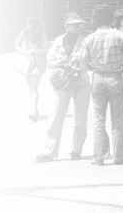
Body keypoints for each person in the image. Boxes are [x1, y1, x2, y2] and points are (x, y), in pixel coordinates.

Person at [80, 4, 123, 166]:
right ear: (111, 18)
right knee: (117, 120)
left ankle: (99, 157)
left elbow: (83, 64)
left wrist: (94, 67)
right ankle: (120, 156)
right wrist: (121, 66)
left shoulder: (88, 39)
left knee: (98, 120)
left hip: (97, 79)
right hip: (116, 78)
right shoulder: (120, 36)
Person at [35, 13, 90, 163]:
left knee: (81, 119)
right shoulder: (58, 42)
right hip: (62, 83)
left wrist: (79, 62)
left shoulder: (85, 41)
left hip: (81, 83)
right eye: (74, 24)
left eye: (79, 24)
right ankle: (49, 151)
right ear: (67, 26)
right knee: (55, 116)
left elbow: (89, 62)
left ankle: (76, 150)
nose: (78, 27)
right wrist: (63, 61)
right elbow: (50, 62)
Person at [15, 16, 49, 123]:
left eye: (28, 23)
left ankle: (33, 112)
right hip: (27, 65)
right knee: (32, 89)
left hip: (39, 64)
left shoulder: (41, 36)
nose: (26, 25)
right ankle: (35, 109)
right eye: (26, 23)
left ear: (33, 25)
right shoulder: (23, 33)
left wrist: (33, 52)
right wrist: (21, 51)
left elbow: (46, 50)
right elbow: (17, 43)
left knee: (34, 88)